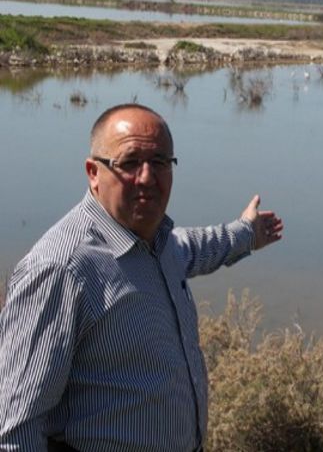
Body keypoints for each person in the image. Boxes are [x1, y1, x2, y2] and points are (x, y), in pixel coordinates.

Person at [0, 104, 283, 451]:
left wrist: (246, 234)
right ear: (93, 172)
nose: (147, 177)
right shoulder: (61, 269)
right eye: (130, 162)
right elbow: (15, 428)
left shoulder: (157, 242)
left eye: (160, 162)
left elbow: (196, 248)